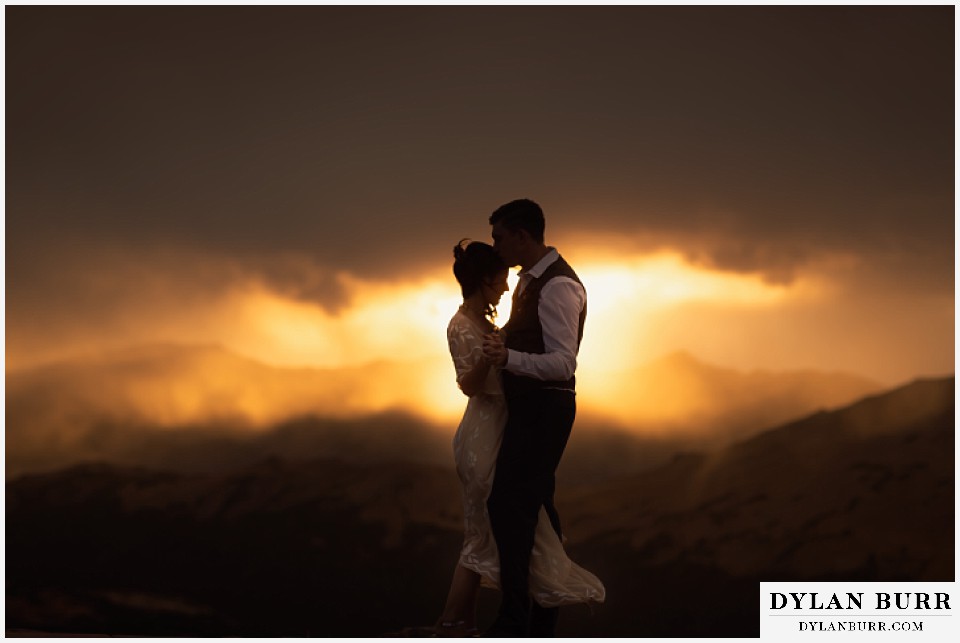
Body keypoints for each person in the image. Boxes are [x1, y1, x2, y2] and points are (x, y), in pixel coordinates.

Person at [436, 239, 604, 637]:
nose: (507, 287)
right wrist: (491, 356)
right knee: (485, 536)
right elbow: (469, 386)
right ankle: (456, 624)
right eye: (500, 279)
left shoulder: (488, 324)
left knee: (497, 531)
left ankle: (465, 625)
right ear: (484, 281)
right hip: (484, 437)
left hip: (504, 431)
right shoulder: (460, 326)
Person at [482, 199, 601, 637]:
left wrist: (507, 355)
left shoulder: (557, 286)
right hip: (531, 407)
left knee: (509, 505)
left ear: (521, 236)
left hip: (545, 407)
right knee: (536, 512)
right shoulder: (529, 282)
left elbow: (562, 364)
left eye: (499, 237)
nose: (495, 247)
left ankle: (516, 618)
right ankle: (543, 612)